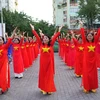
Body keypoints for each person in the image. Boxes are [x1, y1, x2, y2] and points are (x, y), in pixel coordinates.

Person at [30, 24, 63, 95]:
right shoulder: (41, 44)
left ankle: (49, 88)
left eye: (46, 38)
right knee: (43, 76)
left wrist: (59, 30)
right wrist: (33, 29)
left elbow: (55, 37)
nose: (45, 39)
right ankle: (43, 88)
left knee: (49, 76)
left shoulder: (51, 45)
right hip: (42, 64)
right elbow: (37, 36)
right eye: (44, 38)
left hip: (49, 64)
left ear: (49, 40)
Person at [80, 21, 100, 93]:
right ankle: (86, 87)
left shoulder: (95, 42)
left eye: (91, 36)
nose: (89, 37)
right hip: (86, 62)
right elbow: (82, 34)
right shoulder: (85, 42)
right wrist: (81, 26)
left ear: (93, 37)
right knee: (87, 74)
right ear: (86, 37)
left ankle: (93, 87)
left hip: (93, 62)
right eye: (88, 36)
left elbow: (98, 33)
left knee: (93, 75)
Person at [0, 28, 16, 94]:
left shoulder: (5, 46)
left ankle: (3, 88)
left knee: (3, 76)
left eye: (0, 40)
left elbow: (10, 39)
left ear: (3, 41)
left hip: (4, 64)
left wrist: (13, 32)